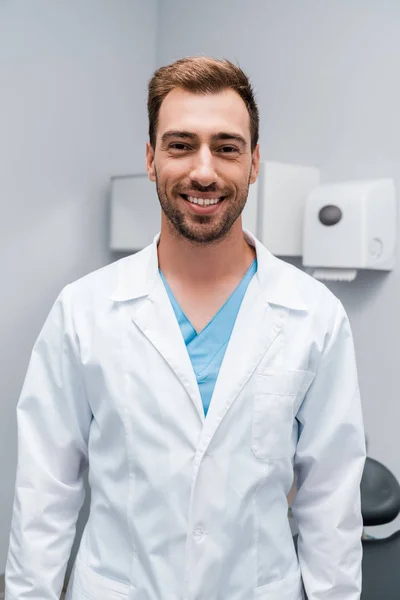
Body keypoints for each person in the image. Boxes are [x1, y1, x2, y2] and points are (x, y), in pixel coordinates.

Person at [5, 57, 366, 600]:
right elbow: (45, 495)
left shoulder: (314, 316)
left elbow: (331, 504)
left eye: (226, 147)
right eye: (180, 145)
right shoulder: (83, 311)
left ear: (254, 161)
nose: (204, 170)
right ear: (151, 159)